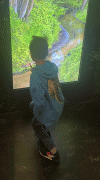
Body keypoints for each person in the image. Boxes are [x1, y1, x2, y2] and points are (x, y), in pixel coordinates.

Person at [29, 35, 65, 163]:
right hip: (57, 105)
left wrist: (37, 115)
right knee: (31, 105)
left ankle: (53, 152)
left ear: (31, 55)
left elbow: (40, 103)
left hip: (48, 111)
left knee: (35, 123)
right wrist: (35, 70)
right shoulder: (51, 67)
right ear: (47, 52)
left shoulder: (35, 77)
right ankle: (44, 128)